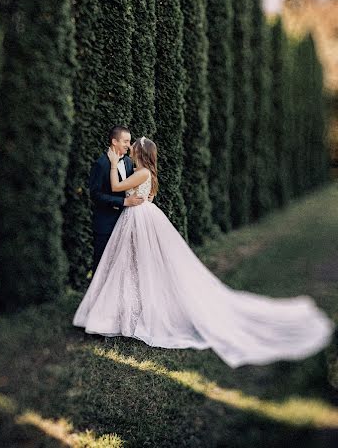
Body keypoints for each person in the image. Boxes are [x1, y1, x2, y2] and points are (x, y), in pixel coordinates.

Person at [74, 136, 335, 368]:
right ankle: (123, 313)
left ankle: (127, 314)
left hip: (137, 218)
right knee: (131, 266)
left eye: (134, 149)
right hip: (139, 218)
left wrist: (111, 164)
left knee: (137, 265)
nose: (130, 151)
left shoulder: (141, 174)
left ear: (141, 154)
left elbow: (118, 187)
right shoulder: (145, 172)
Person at [89, 125, 144, 275]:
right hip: (105, 224)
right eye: (125, 141)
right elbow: (95, 195)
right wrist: (124, 202)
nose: (129, 145)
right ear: (114, 141)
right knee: (101, 266)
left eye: (129, 141)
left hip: (125, 222)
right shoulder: (101, 164)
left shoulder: (127, 162)